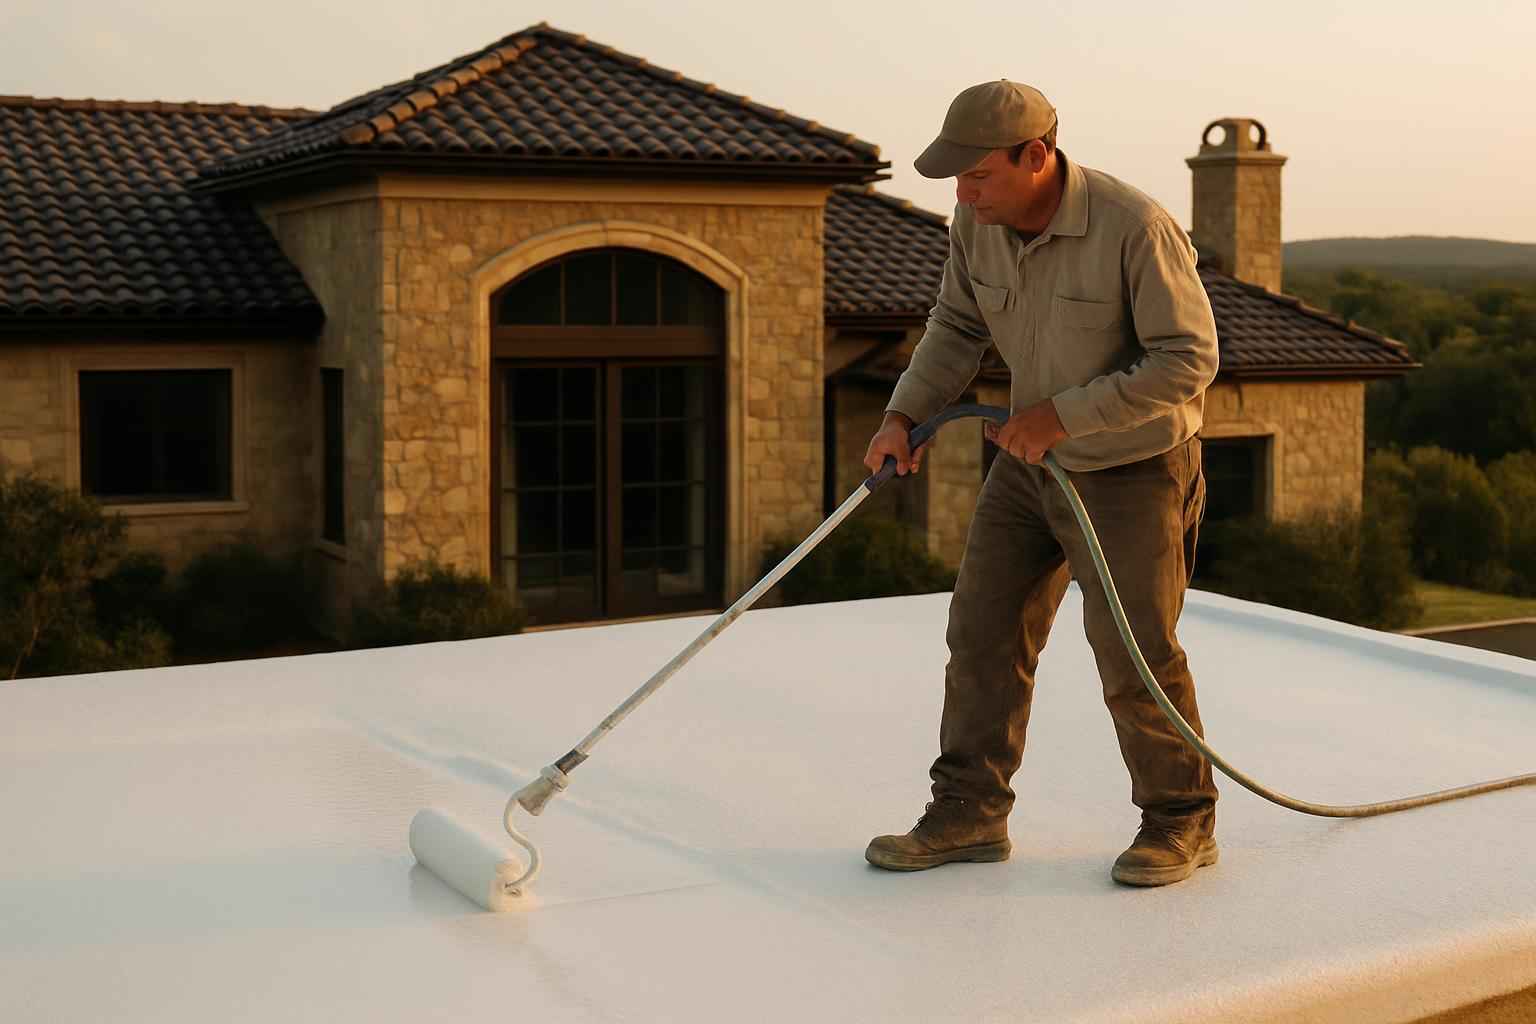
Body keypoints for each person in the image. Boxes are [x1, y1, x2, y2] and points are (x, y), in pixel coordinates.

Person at [862, 80, 1221, 887]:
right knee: (981, 631)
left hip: (1133, 473)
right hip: (1029, 469)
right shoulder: (976, 223)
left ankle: (1181, 820)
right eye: (957, 178)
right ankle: (968, 815)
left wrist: (1062, 416)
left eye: (978, 175)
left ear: (1038, 156)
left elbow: (1187, 360)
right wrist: (902, 416)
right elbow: (956, 327)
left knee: (1135, 651)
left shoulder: (1137, 227)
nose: (964, 193)